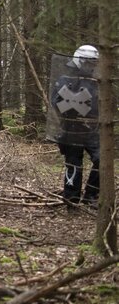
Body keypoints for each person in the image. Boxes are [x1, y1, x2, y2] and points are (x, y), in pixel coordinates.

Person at [51, 45, 100, 204]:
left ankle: (91, 195)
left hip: (93, 131)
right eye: (88, 62)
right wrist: (74, 109)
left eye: (93, 62)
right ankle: (71, 199)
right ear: (79, 60)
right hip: (71, 129)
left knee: (102, 159)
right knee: (73, 165)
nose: (91, 66)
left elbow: (104, 105)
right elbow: (56, 103)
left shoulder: (97, 82)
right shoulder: (66, 79)